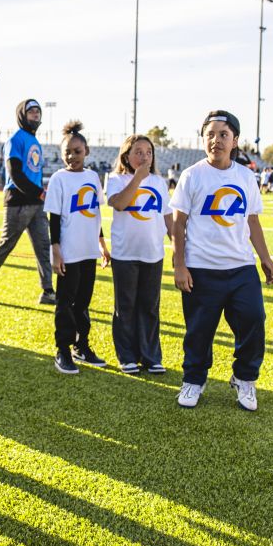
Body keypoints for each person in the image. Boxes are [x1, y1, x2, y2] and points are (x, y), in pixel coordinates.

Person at [171, 111, 273, 411]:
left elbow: (253, 222)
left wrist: (266, 259)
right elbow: (178, 225)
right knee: (199, 330)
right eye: (210, 134)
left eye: (223, 134)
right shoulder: (192, 175)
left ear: (235, 140)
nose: (216, 140)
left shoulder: (246, 176)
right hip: (201, 268)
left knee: (253, 321)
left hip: (241, 268)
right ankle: (194, 379)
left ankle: (244, 378)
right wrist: (179, 265)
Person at [44, 122, 112, 374]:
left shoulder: (93, 177)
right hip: (69, 253)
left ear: (87, 151)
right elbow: (55, 219)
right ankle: (63, 348)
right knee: (66, 302)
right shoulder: (59, 179)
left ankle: (81, 346)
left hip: (89, 252)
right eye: (68, 152)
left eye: (77, 151)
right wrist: (56, 251)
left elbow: (94, 215)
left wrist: (103, 246)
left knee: (83, 302)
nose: (72, 156)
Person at [0, 99, 55, 305]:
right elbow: (15, 173)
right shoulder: (15, 139)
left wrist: (39, 194)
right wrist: (38, 192)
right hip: (19, 202)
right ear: (22, 115)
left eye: (38, 111)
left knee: (43, 246)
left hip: (36, 203)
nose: (36, 115)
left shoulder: (34, 141)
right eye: (31, 112)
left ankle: (47, 291)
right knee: (7, 244)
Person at [105, 134, 173, 374]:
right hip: (125, 254)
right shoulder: (116, 179)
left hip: (153, 253)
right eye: (138, 152)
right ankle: (127, 355)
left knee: (150, 306)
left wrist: (175, 244)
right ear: (127, 155)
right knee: (126, 306)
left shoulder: (159, 182)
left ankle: (151, 356)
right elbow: (120, 204)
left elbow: (166, 215)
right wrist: (137, 179)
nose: (144, 156)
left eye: (149, 152)